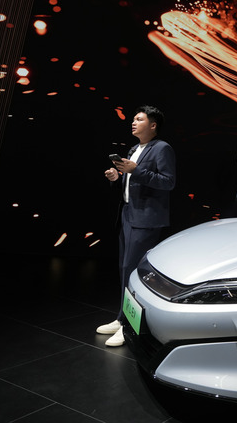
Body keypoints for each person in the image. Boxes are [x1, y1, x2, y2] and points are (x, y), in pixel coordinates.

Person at [97, 105, 176, 347]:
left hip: (146, 219)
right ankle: (122, 318)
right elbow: (132, 180)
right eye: (133, 118)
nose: (133, 122)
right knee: (125, 268)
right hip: (128, 214)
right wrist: (117, 178)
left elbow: (168, 182)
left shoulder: (162, 148)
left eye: (139, 119)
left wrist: (136, 171)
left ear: (153, 125)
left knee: (133, 272)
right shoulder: (133, 149)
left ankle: (130, 327)